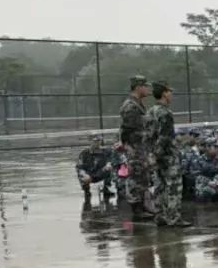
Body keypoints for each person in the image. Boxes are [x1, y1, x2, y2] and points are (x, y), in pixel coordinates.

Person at [144, 82, 191, 228]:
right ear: (164, 93)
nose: (171, 94)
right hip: (167, 155)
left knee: (160, 185)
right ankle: (173, 217)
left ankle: (160, 215)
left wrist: (151, 154)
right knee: (174, 187)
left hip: (155, 154)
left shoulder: (150, 111)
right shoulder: (165, 113)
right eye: (169, 91)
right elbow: (165, 137)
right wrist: (158, 154)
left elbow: (148, 136)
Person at [119, 75, 154, 221]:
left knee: (142, 176)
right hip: (135, 147)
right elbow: (126, 129)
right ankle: (136, 208)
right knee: (136, 177)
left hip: (141, 146)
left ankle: (142, 205)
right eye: (145, 86)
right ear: (138, 87)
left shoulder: (137, 104)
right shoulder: (130, 106)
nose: (147, 89)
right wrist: (129, 147)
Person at [75, 133, 115, 204]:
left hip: (101, 172)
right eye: (95, 141)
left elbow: (112, 159)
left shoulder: (106, 151)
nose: (97, 143)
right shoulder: (84, 153)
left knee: (110, 168)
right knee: (81, 175)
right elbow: (79, 166)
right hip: (89, 175)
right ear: (90, 141)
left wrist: (109, 164)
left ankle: (107, 188)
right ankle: (86, 191)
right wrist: (84, 174)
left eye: (99, 140)